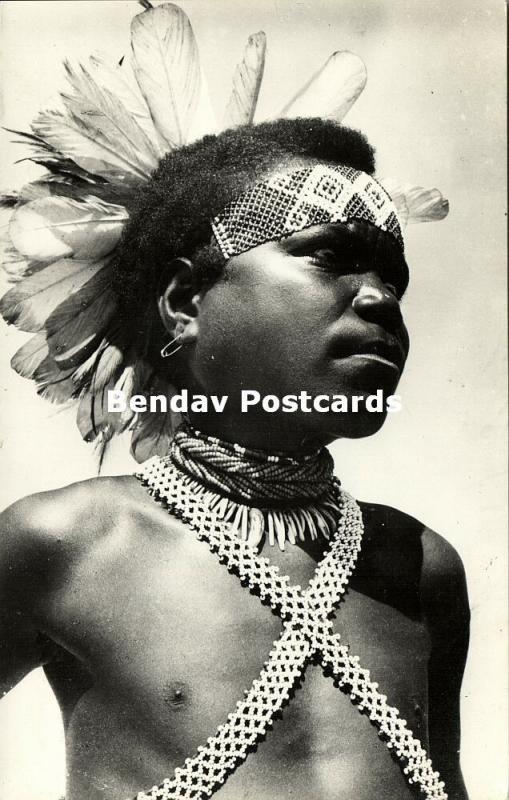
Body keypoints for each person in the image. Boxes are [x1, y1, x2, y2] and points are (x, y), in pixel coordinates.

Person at [0, 4, 469, 800]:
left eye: (393, 278)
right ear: (185, 303)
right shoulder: (68, 542)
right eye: (329, 259)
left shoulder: (418, 565)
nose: (380, 299)